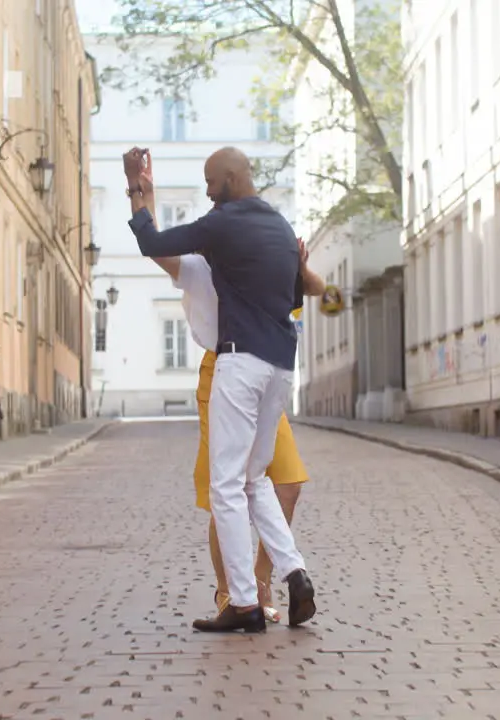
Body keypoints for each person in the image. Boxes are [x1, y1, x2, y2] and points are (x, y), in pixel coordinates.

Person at [124, 145, 316, 633]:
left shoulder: (223, 223)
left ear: (230, 179)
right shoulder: (277, 226)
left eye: (211, 183)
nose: (208, 192)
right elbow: (299, 293)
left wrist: (138, 194)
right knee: (254, 480)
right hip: (280, 367)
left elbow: (154, 241)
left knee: (226, 485)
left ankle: (243, 602)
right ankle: (295, 573)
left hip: (239, 364)